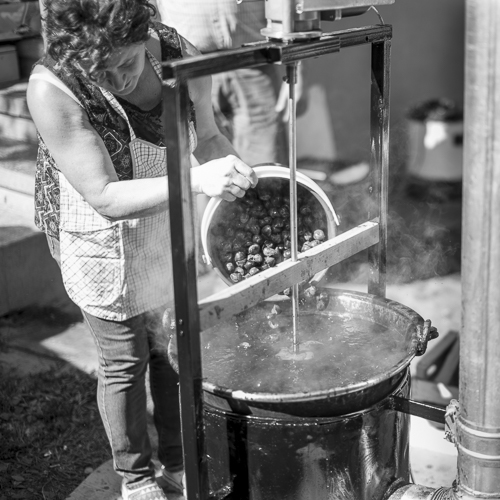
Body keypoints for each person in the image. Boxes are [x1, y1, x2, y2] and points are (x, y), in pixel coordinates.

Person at [27, 1, 257, 499]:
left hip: (165, 219)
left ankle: (178, 461)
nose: (118, 81)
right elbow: (105, 197)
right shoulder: (51, 89)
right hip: (96, 230)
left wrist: (242, 179)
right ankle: (135, 478)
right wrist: (196, 179)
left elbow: (211, 137)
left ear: (144, 35)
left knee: (170, 346)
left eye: (126, 63)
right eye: (99, 71)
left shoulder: (178, 53)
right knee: (125, 358)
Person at [155, 0, 307, 167]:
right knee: (200, 172)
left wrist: (296, 65)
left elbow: (290, 4)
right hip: (187, 67)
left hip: (255, 62)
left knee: (266, 169)